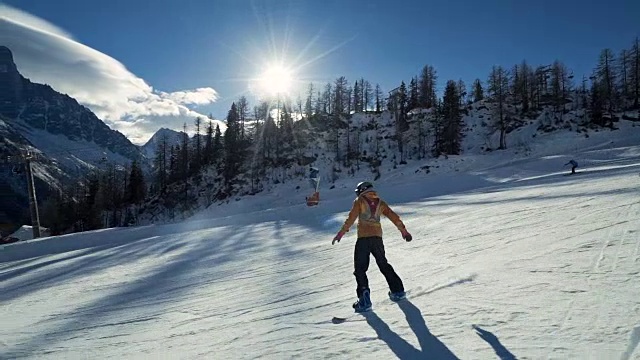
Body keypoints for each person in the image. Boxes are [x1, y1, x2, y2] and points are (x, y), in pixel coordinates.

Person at [332, 181, 412, 312]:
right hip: (377, 239)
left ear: (361, 190)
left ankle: (364, 299)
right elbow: (393, 216)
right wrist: (403, 230)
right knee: (383, 264)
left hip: (363, 239)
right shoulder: (380, 202)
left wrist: (341, 233)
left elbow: (351, 218)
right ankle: (398, 290)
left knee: (360, 269)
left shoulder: (360, 201)